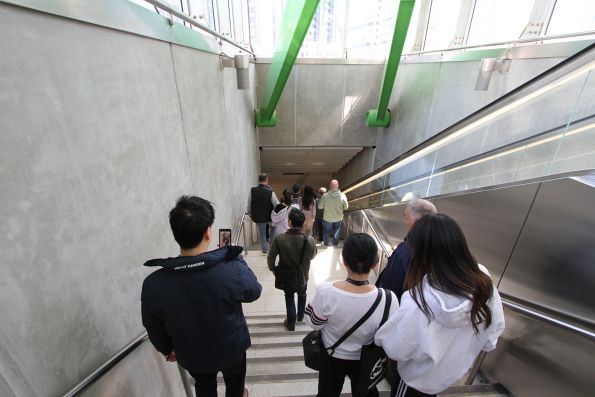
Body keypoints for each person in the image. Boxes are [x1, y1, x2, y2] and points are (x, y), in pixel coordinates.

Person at [141, 196, 262, 397]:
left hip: (191, 353)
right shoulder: (230, 268)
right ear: (208, 232)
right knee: (236, 382)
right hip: (232, 347)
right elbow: (254, 292)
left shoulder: (154, 283)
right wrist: (235, 260)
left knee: (203, 384)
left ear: (175, 233)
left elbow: (152, 324)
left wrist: (166, 348)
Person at [375, 213, 505, 397]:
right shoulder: (484, 281)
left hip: (415, 381)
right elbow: (492, 335)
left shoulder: (418, 300)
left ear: (421, 253)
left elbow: (395, 348)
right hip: (447, 378)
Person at [305, 233, 398, 397]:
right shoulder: (388, 299)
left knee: (328, 392)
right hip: (367, 361)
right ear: (375, 264)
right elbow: (389, 335)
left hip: (332, 356)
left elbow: (314, 323)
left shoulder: (326, 291)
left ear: (344, 261)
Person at [376, 198, 437, 301]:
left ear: (417, 221)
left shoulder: (404, 251)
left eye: (406, 217)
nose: (404, 222)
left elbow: (388, 292)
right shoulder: (440, 248)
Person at [268, 208, 317, 331]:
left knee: (289, 296)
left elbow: (271, 257)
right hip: (303, 276)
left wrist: (273, 269)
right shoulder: (309, 240)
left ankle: (291, 322)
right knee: (302, 294)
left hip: (286, 276)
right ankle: (300, 316)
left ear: (289, 222)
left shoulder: (279, 239)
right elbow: (313, 255)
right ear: (303, 223)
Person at [247, 173, 279, 255]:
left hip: (258, 216)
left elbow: (249, 203)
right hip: (270, 216)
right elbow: (276, 204)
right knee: (273, 230)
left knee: (262, 233)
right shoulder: (271, 192)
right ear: (267, 180)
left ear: (258, 180)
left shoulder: (252, 191)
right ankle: (272, 248)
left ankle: (264, 250)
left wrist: (250, 213)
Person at [317, 180, 348, 247]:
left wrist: (325, 205)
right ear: (338, 185)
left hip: (327, 218)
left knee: (326, 231)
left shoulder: (325, 196)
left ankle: (326, 244)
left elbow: (319, 207)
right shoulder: (342, 195)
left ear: (330, 186)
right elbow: (346, 207)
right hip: (338, 217)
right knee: (336, 230)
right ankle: (335, 244)